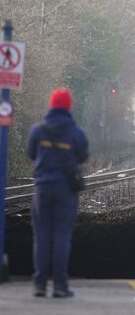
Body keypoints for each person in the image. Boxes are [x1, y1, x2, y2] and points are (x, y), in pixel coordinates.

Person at [26, 88, 88, 298]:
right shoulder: (76, 133)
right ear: (68, 107)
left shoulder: (38, 131)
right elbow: (82, 157)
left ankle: (40, 285)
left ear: (51, 105)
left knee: (41, 236)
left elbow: (31, 154)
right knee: (62, 236)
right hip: (65, 190)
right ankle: (60, 286)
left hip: (42, 188)